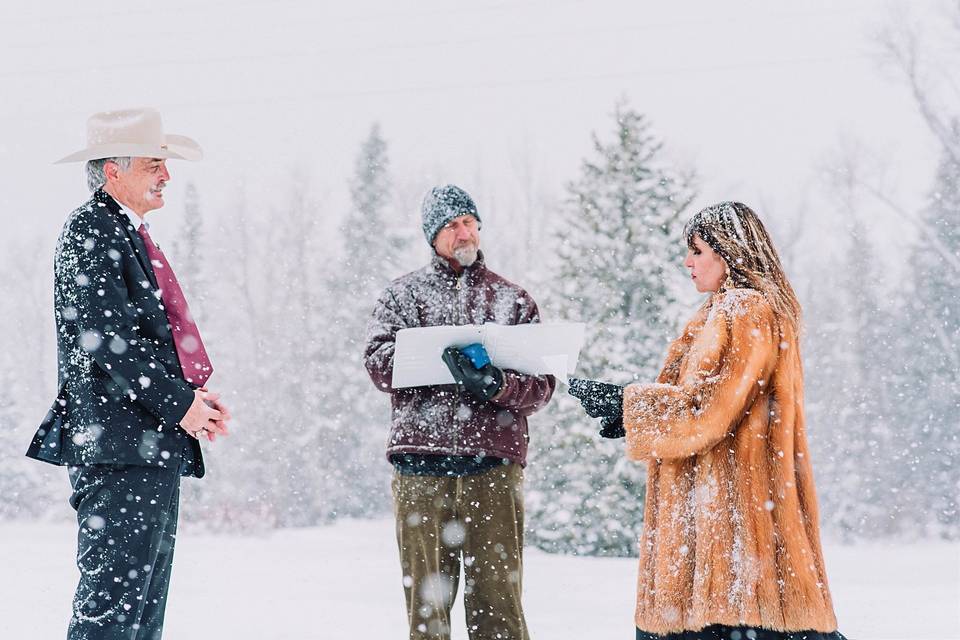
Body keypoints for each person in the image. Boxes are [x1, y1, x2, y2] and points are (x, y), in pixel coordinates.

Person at [570, 202, 846, 640]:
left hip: (729, 540)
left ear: (729, 252)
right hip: (729, 537)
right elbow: (713, 407)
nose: (687, 262)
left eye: (697, 250)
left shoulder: (745, 309)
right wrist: (631, 413)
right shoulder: (728, 311)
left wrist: (629, 405)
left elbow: (707, 413)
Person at [26, 107, 231, 640]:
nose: (167, 174)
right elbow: (107, 345)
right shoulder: (90, 229)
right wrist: (180, 404)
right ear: (112, 171)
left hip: (144, 443)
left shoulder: (125, 231)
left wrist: (193, 399)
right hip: (120, 448)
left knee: (140, 615)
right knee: (112, 615)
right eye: (153, 164)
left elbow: (139, 343)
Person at [364, 184, 556, 640]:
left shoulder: (513, 300)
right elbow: (377, 363)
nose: (463, 232)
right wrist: (433, 363)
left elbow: (543, 384)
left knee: (499, 607)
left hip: (493, 467)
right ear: (432, 236)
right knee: (427, 613)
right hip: (420, 467)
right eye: (452, 225)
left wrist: (498, 384)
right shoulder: (402, 297)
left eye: (470, 222)